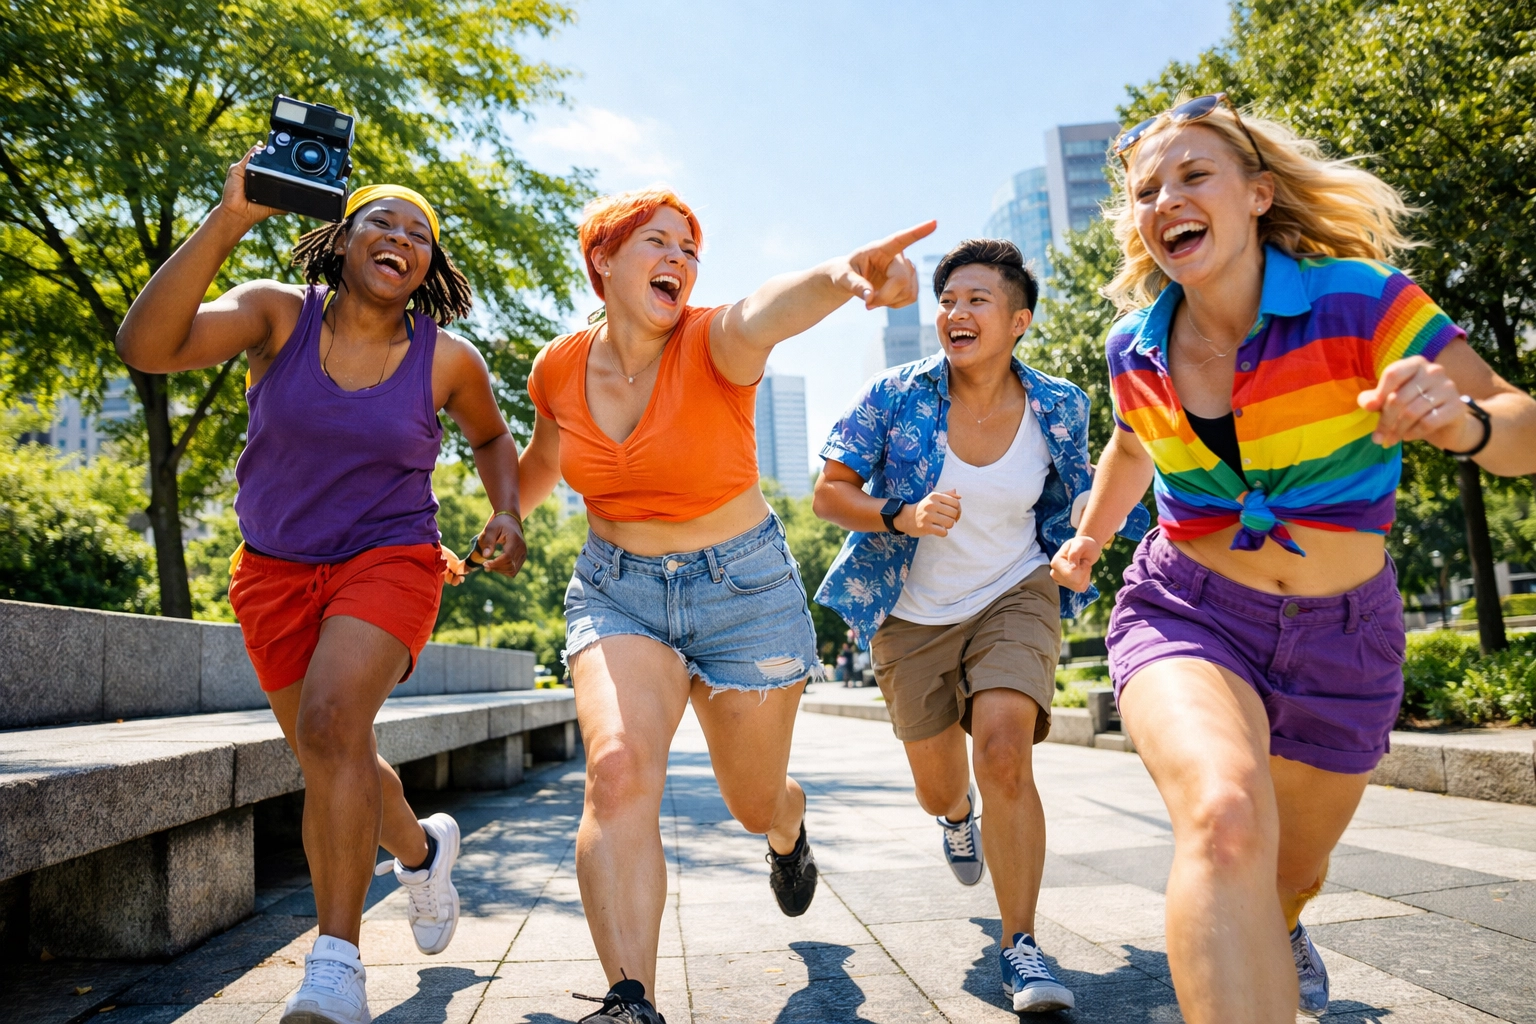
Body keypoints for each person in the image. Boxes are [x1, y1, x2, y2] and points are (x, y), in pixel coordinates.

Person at [1050, 94, 1536, 1024]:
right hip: (1188, 608)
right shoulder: (1133, 349)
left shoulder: (1362, 300)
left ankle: (1276, 927)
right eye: (1147, 190)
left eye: (1194, 176)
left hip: (1345, 636)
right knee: (1227, 822)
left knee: (1287, 874)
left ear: (1258, 194)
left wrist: (1462, 421)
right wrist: (1094, 533)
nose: (1166, 200)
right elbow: (1131, 443)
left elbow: (1522, 425)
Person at [117, 150, 528, 1024]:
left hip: (392, 557)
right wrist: (230, 218)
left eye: (420, 234)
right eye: (383, 221)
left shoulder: (447, 358)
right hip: (273, 570)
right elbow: (146, 347)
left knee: (333, 723)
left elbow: (494, 441)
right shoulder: (274, 313)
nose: (402, 238)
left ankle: (335, 964)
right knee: (330, 750)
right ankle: (421, 852)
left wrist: (509, 512)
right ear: (342, 241)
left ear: (429, 269)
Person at [515, 188, 933, 1023]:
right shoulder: (558, 365)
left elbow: (765, 312)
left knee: (750, 801)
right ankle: (630, 1001)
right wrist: (500, 517)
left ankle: (787, 822)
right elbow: (542, 462)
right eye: (656, 242)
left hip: (744, 593)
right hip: (616, 592)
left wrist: (842, 275)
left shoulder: (712, 342)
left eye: (690, 248)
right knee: (618, 770)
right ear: (602, 259)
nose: (679, 259)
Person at [812, 238, 1148, 1013]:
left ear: (1019, 320)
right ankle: (958, 819)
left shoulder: (1059, 403)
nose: (956, 314)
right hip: (912, 612)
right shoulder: (894, 395)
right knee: (942, 788)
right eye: (949, 301)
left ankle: (1022, 945)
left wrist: (1081, 549)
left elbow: (1079, 494)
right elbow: (831, 493)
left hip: (1014, 591)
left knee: (1004, 753)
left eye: (977, 301)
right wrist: (900, 512)